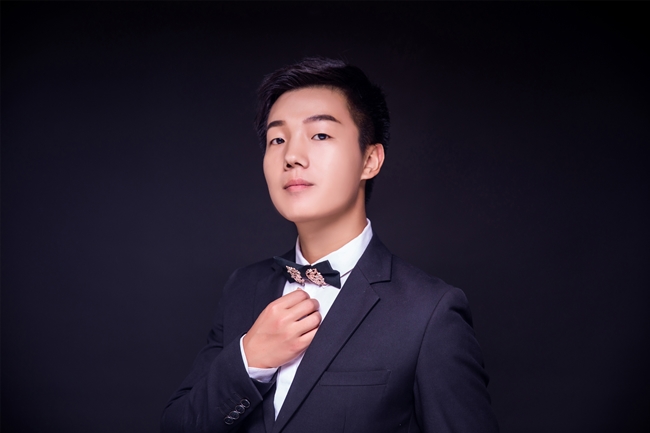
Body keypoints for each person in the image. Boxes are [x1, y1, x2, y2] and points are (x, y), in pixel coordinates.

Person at [161, 57, 498, 433]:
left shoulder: (430, 312)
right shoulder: (243, 287)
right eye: (277, 139)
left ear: (370, 160)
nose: (292, 156)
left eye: (320, 135)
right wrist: (249, 360)